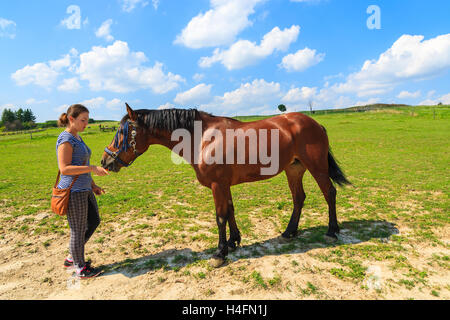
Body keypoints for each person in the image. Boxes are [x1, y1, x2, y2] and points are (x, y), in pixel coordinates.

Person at [56, 104, 109, 279]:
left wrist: (93, 185)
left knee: (94, 221)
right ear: (71, 119)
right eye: (83, 120)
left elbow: (81, 166)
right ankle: (79, 268)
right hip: (73, 191)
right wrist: (93, 168)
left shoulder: (77, 137)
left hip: (85, 188)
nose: (86, 123)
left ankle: (72, 257)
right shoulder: (66, 139)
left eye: (87, 120)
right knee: (77, 230)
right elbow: (64, 169)